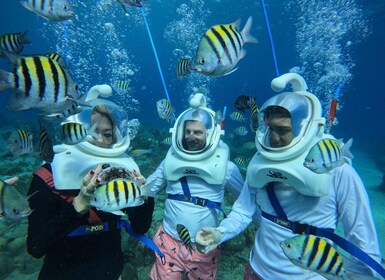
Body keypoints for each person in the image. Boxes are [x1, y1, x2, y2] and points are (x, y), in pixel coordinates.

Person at [195, 73, 383, 279]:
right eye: (270, 128)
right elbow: (242, 211)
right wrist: (220, 233)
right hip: (256, 270)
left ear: (304, 128)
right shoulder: (260, 164)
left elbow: (362, 241)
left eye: (283, 130)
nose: (274, 137)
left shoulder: (338, 171)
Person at [27, 87, 154, 280]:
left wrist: (145, 196)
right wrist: (78, 206)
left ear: (117, 137)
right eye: (93, 131)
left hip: (111, 272)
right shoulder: (51, 173)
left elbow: (140, 227)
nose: (100, 140)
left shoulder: (122, 173)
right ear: (77, 131)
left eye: (108, 134)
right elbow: (35, 247)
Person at [148, 93, 244, 279]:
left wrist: (260, 225)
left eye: (198, 132)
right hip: (168, 240)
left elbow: (247, 202)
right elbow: (148, 189)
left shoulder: (227, 167)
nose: (192, 136)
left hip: (205, 245)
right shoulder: (170, 161)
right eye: (188, 131)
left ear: (210, 134)